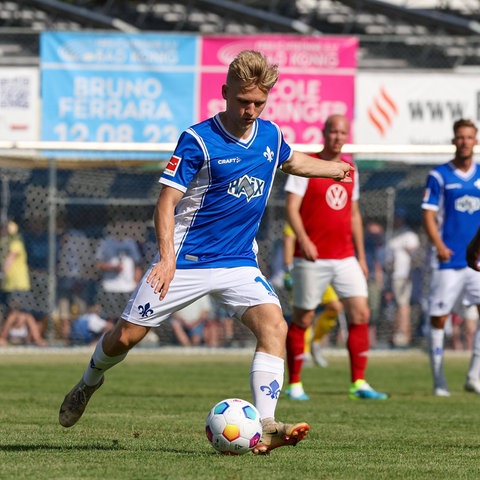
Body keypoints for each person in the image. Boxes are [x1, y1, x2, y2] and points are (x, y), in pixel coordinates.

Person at [58, 50, 353, 454]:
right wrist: (166, 259)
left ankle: (266, 424)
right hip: (186, 261)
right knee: (125, 338)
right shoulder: (198, 139)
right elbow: (166, 203)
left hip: (238, 262)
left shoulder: (271, 135)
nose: (250, 110)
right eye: (243, 101)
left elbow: (292, 161)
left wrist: (331, 168)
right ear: (224, 92)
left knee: (275, 328)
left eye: (258, 103)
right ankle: (89, 381)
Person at [284, 114, 388, 401]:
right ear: (324, 133)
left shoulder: (350, 168)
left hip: (345, 257)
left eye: (343, 132)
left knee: (361, 313)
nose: (338, 137)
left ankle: (359, 383)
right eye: (333, 131)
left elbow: (354, 214)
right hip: (312, 258)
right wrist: (303, 240)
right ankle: (294, 384)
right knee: (303, 317)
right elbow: (291, 208)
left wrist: (362, 256)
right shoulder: (307, 165)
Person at [422, 118, 480, 396]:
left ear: (476, 140)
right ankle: (438, 379)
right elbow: (428, 214)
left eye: (470, 137)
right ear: (454, 140)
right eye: (461, 137)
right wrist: (439, 245)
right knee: (439, 318)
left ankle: (474, 376)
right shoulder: (439, 175)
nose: (465, 141)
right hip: (449, 259)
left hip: (477, 262)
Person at [283, 222, 343, 368]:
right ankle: (304, 353)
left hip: (320, 270)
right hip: (302, 271)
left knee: (335, 307)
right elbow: (289, 240)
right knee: (305, 312)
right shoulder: (297, 216)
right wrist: (289, 268)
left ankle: (315, 343)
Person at [95, 222, 143, 323]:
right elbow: (98, 264)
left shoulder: (130, 243)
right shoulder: (105, 243)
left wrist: (136, 283)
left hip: (127, 287)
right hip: (110, 287)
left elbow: (137, 264)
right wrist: (113, 267)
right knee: (110, 319)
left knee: (127, 319)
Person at [385, 209, 420, 348]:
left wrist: (411, 273)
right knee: (396, 306)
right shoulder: (393, 235)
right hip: (393, 276)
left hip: (404, 275)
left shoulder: (409, 235)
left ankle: (404, 335)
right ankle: (396, 334)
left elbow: (415, 257)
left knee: (403, 305)